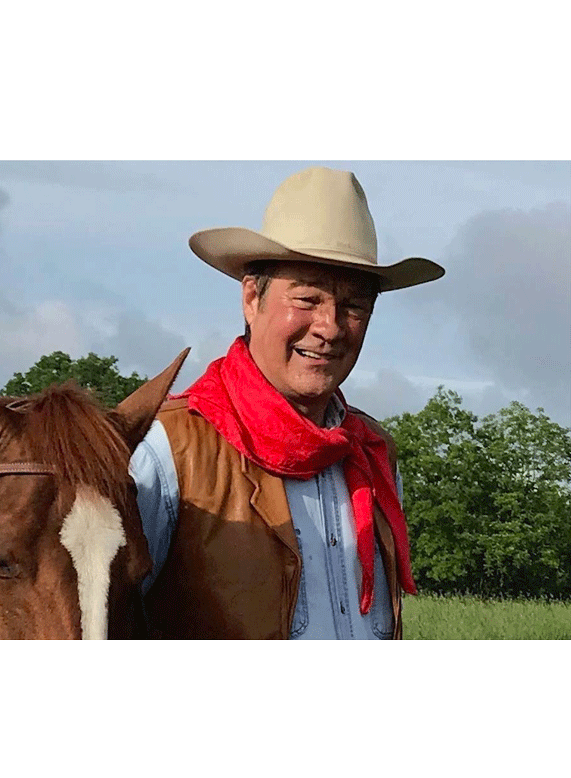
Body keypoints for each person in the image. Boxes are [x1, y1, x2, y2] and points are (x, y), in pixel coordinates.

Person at [130, 165, 445, 639]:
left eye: (354, 306)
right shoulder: (166, 452)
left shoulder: (374, 452)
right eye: (307, 299)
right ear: (252, 298)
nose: (331, 326)